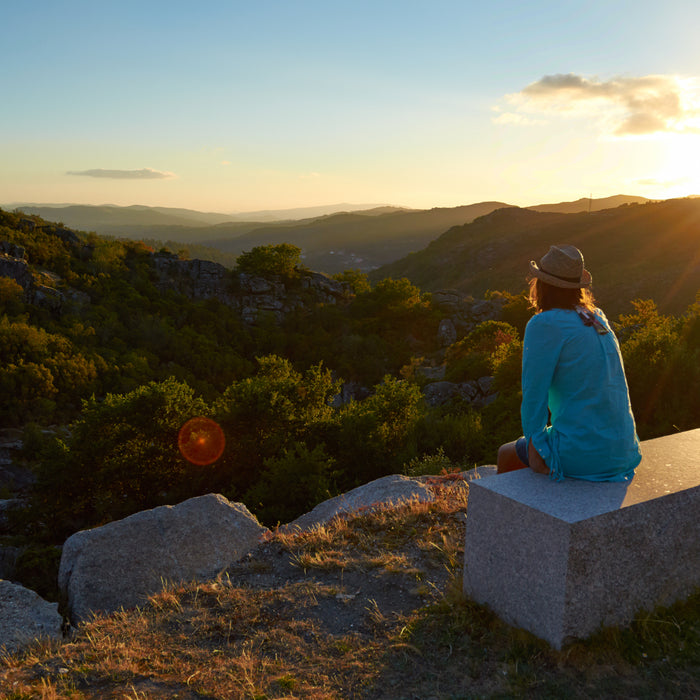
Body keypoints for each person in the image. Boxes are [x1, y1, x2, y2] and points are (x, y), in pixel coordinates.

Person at [497, 244, 642, 481]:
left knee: (506, 454)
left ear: (542, 285)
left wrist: (536, 450)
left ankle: (511, 515)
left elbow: (534, 395)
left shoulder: (544, 324)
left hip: (584, 455)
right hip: (624, 451)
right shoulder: (597, 317)